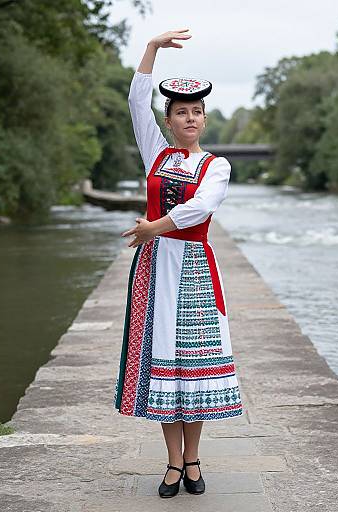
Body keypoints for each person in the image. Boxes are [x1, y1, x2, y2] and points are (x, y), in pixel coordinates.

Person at [113, 28, 244, 498]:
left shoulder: (217, 166)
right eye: (181, 113)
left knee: (194, 366)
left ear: (204, 120)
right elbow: (135, 103)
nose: (190, 119)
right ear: (168, 121)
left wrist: (153, 226)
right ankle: (172, 464)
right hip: (154, 271)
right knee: (163, 366)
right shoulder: (156, 153)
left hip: (193, 268)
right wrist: (151, 49)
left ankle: (193, 460)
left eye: (196, 112)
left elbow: (199, 208)